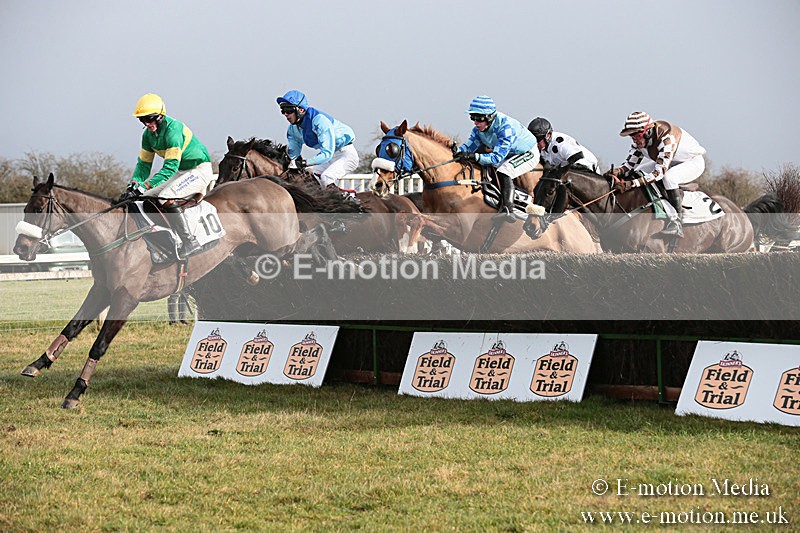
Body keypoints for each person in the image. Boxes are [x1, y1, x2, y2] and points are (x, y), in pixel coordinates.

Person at [120, 93, 213, 257]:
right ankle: (165, 237)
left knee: (164, 197)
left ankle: (190, 241)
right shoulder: (147, 136)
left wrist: (145, 186)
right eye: (142, 120)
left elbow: (170, 168)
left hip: (199, 170)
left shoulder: (173, 130)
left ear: (160, 115)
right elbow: (144, 165)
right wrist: (133, 185)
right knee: (142, 199)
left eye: (150, 118)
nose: (147, 124)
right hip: (181, 172)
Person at [608, 111, 707, 238]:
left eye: (637, 135)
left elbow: (657, 174)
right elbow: (629, 166)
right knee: (639, 172)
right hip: (670, 162)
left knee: (669, 178)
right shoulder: (639, 142)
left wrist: (631, 184)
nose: (634, 139)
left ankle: (676, 222)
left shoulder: (667, 139)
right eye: (631, 136)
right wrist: (617, 171)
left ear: (647, 131)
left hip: (692, 162)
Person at [453, 96, 539, 222]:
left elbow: (496, 157)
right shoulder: (478, 130)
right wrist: (457, 152)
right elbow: (469, 146)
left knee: (505, 171)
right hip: (508, 154)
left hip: (528, 153)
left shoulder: (505, 127)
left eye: (479, 118)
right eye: (473, 117)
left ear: (490, 117)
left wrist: (474, 156)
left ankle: (508, 210)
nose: (475, 122)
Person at [276, 90, 359, 192]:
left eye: (289, 110)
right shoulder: (293, 130)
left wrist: (304, 162)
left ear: (301, 110)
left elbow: (326, 154)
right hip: (330, 158)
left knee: (326, 178)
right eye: (283, 110)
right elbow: (293, 156)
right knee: (308, 177)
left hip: (345, 155)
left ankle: (349, 201)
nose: (285, 114)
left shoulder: (319, 121)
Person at [527, 117, 598, 172]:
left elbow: (578, 159)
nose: (535, 144)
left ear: (547, 136)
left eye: (537, 139)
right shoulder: (541, 150)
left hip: (588, 169)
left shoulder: (561, 144)